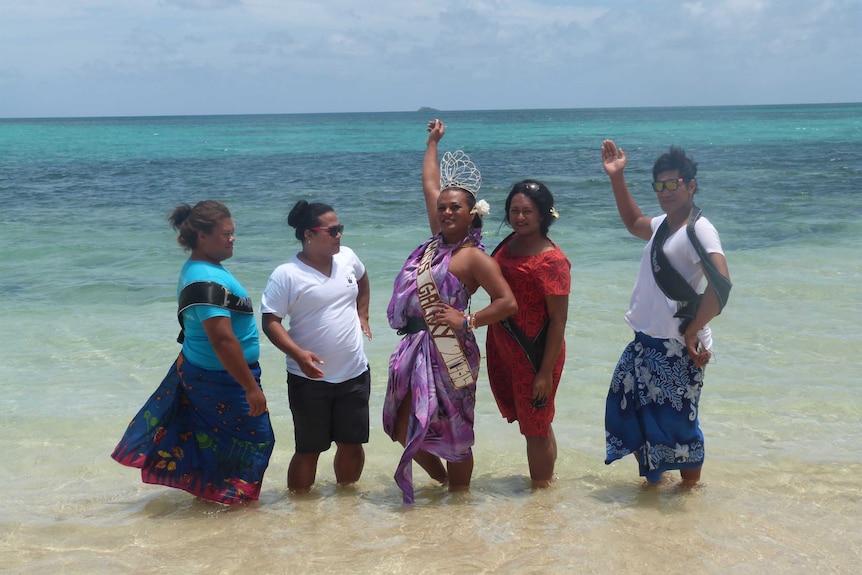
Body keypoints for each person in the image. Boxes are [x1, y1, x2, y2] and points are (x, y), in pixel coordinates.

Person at [383, 119, 518, 504]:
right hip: (413, 344)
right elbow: (429, 183)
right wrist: (432, 143)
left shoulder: (473, 257)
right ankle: (443, 483)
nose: (444, 212)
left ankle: (460, 499)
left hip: (451, 350)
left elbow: (508, 303)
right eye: (442, 208)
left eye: (453, 207)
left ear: (470, 212)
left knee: (456, 431)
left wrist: (468, 319)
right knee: (401, 424)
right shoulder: (435, 244)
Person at [112, 200, 275, 505]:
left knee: (215, 440)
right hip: (221, 378)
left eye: (233, 233)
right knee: (255, 441)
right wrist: (250, 388)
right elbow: (222, 340)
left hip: (205, 370)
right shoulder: (204, 280)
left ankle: (212, 502)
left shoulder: (205, 269)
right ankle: (235, 508)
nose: (232, 238)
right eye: (226, 233)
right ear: (202, 236)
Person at [600, 140, 732, 488]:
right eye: (659, 185)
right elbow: (632, 222)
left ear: (690, 185)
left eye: (673, 184)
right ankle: (654, 487)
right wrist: (617, 176)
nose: (665, 191)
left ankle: (689, 496)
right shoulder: (662, 224)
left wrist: (694, 332)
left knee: (680, 427)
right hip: (646, 341)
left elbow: (721, 286)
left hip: (678, 346)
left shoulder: (699, 229)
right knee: (640, 418)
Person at [260, 200, 371, 493]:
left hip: (354, 373)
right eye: (332, 230)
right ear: (310, 234)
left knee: (352, 443)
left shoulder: (347, 257)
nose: (339, 235)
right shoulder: (287, 274)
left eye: (340, 229)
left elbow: (362, 277)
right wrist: (298, 354)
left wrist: (363, 315)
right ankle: (301, 512)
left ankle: (346, 505)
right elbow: (270, 322)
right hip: (308, 378)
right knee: (309, 449)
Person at [486, 180, 570, 488]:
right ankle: (549, 484)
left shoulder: (553, 260)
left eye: (527, 212)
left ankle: (540, 497)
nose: (520, 218)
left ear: (543, 215)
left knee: (534, 427)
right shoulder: (507, 244)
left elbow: (559, 321)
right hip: (505, 348)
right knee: (537, 422)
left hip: (535, 353)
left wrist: (545, 372)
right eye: (514, 211)